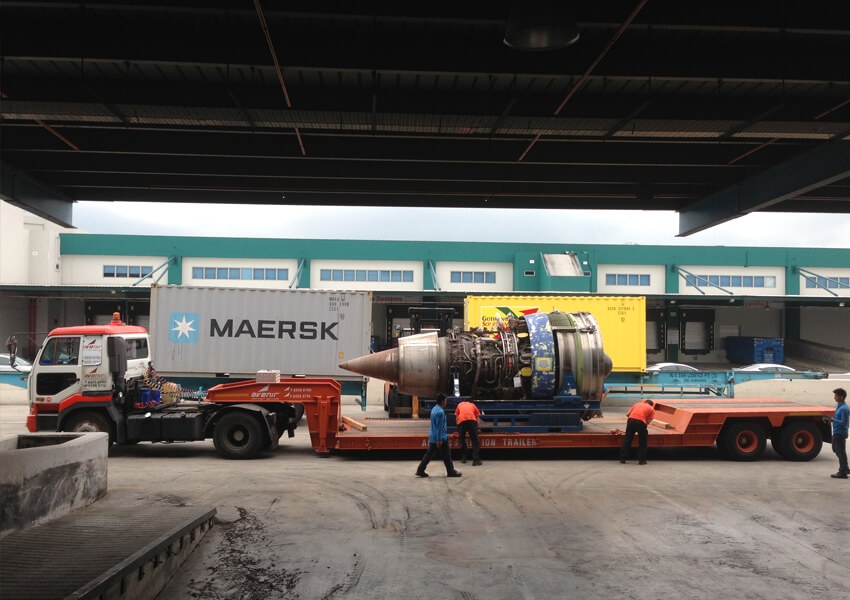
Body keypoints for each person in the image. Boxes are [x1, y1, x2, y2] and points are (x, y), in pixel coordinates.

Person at [416, 393, 462, 478]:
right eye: (445, 401)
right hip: (441, 438)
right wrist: (439, 439)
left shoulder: (434, 409)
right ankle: (451, 472)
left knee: (429, 455)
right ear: (442, 401)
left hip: (433, 437)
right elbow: (439, 427)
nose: (446, 402)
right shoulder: (440, 412)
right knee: (447, 456)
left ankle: (420, 470)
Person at [619, 399, 655, 465]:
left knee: (627, 439)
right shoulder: (651, 409)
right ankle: (642, 460)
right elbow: (648, 421)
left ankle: (622, 458)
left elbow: (627, 414)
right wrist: (642, 425)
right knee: (642, 442)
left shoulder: (637, 404)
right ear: (651, 405)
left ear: (645, 402)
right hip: (641, 422)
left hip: (631, 420)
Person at [829, 387, 849, 479]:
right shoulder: (839, 406)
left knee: (840, 452)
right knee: (837, 450)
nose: (835, 397)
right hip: (837, 431)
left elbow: (844, 422)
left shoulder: (844, 409)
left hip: (840, 432)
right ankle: (845, 468)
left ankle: (843, 472)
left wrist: (833, 420)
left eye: (836, 396)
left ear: (841, 397)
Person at [455, 400, 482, 466]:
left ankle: (463, 458)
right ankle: (475, 460)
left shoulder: (460, 404)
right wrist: (476, 428)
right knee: (475, 441)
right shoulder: (472, 405)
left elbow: (456, 416)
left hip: (461, 421)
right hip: (472, 420)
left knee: (462, 440)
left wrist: (459, 426)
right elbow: (477, 417)